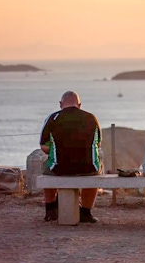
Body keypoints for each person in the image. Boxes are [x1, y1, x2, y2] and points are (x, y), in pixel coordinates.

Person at [40, 91, 102, 223]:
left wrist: (57, 149)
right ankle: (86, 211)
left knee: (46, 166)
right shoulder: (91, 118)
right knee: (97, 167)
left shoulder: (53, 118)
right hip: (88, 168)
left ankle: (50, 209)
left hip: (60, 168)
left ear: (60, 104)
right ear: (79, 105)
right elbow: (98, 143)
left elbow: (44, 147)